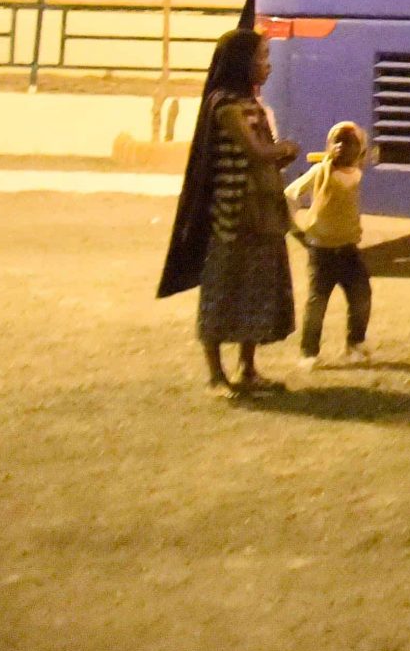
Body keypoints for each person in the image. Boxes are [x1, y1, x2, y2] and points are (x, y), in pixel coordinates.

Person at [158, 29, 300, 397]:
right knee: (223, 288)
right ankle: (216, 375)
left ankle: (247, 368)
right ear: (242, 63)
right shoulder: (225, 106)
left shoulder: (251, 104)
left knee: (253, 288)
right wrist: (283, 149)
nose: (267, 66)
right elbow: (256, 151)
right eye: (261, 58)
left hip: (261, 211)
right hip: (232, 215)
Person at [286, 121, 373, 370]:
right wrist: (296, 230)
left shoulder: (356, 173)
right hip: (322, 251)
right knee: (317, 302)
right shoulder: (320, 173)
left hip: (348, 248)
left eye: (350, 142)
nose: (342, 147)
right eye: (337, 141)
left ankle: (355, 343)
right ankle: (309, 351)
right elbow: (290, 195)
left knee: (361, 296)